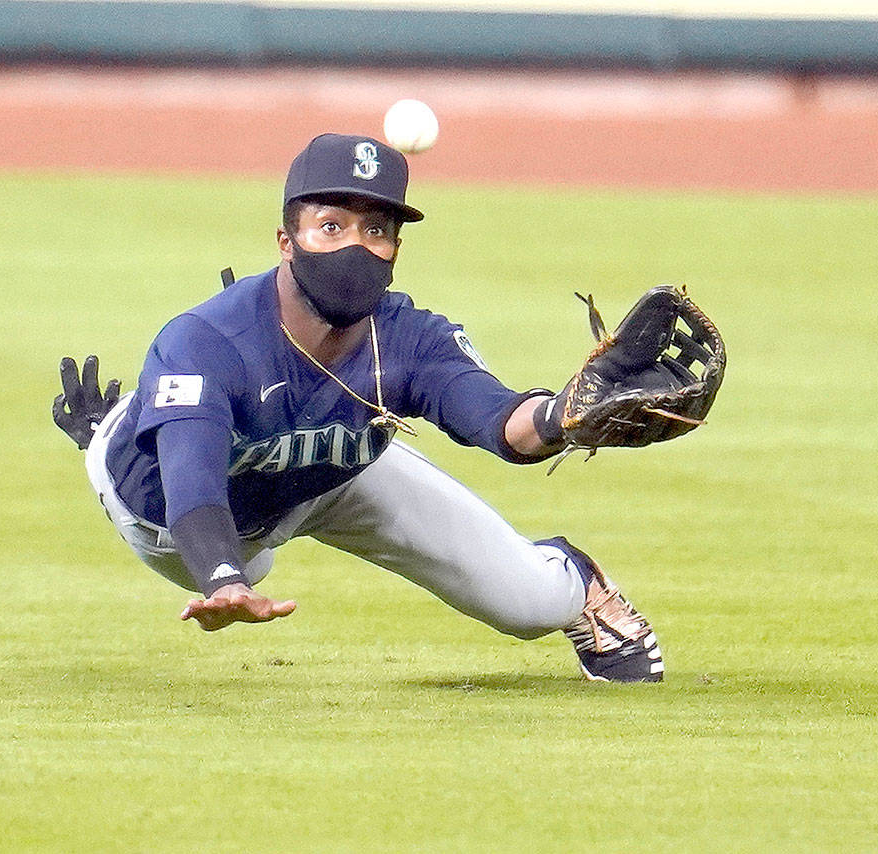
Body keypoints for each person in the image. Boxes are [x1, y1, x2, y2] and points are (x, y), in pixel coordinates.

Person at [54, 133, 663, 682]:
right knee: (248, 564)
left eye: (374, 230)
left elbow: (499, 419)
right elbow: (191, 486)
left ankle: (581, 587)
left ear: (396, 248)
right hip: (177, 512)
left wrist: (561, 416)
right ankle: (117, 425)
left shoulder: (408, 337)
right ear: (285, 241)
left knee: (528, 604)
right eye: (330, 226)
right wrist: (223, 578)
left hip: (333, 477)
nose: (355, 246)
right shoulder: (205, 341)